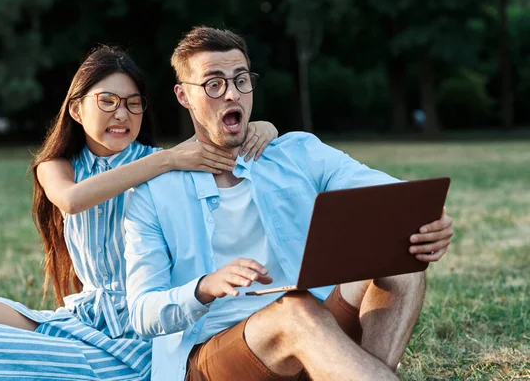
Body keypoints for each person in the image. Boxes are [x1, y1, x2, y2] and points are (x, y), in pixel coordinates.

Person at [123, 27, 455, 381]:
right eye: (214, 84)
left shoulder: (298, 152)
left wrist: (430, 220)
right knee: (296, 313)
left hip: (316, 326)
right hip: (213, 354)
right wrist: (204, 286)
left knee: (400, 263)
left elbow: (392, 196)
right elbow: (143, 312)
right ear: (183, 95)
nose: (232, 94)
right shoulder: (151, 192)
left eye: (241, 80)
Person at [0, 45, 279, 381]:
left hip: (138, 332)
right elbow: (71, 200)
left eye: (133, 103)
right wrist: (168, 158)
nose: (122, 114)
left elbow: (226, 137)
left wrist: (265, 128)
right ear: (77, 110)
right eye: (108, 101)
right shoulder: (60, 166)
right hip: (83, 318)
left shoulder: (164, 160)